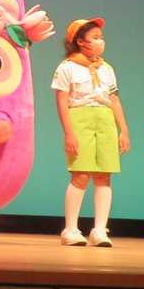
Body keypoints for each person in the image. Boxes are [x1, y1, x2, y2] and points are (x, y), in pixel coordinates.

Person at [52, 18, 129, 247]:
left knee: (104, 175)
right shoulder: (67, 67)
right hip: (80, 117)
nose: (100, 41)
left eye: (101, 37)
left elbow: (114, 99)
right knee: (81, 174)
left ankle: (99, 230)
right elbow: (62, 101)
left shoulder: (106, 68)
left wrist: (123, 130)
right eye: (95, 37)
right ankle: (71, 229)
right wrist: (69, 133)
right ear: (80, 41)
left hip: (105, 119)